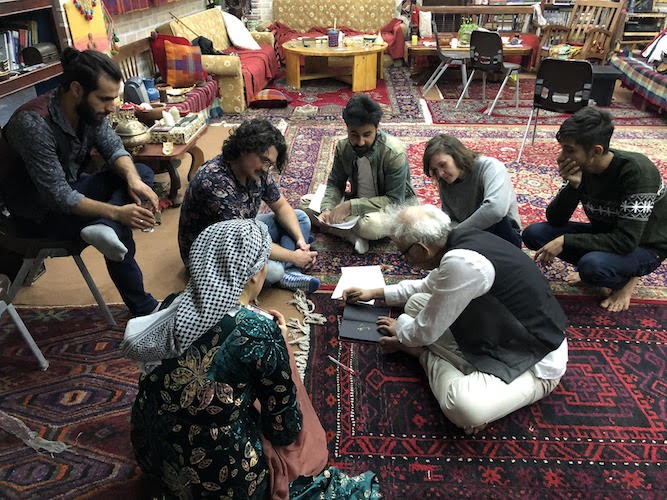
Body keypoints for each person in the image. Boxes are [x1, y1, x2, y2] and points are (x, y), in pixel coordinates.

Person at [123, 219, 381, 499]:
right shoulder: (257, 331)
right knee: (289, 414)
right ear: (258, 273)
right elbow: (283, 428)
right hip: (221, 480)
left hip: (153, 457)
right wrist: (277, 342)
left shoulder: (173, 304)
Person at [344, 204, 568, 435]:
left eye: (404, 253)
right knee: (415, 304)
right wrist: (375, 292)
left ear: (421, 249)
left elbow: (422, 333)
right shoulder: (459, 240)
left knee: (463, 407)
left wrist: (403, 331)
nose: (405, 260)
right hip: (500, 333)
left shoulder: (462, 264)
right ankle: (459, 366)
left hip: (535, 361)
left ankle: (424, 356)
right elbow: (427, 286)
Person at [0, 47, 159, 316]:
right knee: (119, 221)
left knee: (140, 172)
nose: (112, 107)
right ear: (76, 89)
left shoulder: (89, 111)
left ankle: (104, 227)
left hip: (71, 190)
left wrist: (132, 179)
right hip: (36, 215)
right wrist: (117, 212)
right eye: (105, 99)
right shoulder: (32, 124)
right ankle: (143, 307)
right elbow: (58, 196)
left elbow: (114, 149)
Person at [522, 107, 667, 312]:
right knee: (534, 234)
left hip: (645, 245)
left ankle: (626, 280)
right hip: (607, 234)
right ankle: (607, 267)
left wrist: (566, 241)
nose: (560, 157)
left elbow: (626, 241)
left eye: (569, 150)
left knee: (592, 266)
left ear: (596, 151)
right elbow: (555, 218)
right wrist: (573, 187)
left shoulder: (637, 172)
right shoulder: (584, 168)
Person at [178, 119, 320, 293]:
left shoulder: (257, 171)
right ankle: (287, 269)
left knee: (300, 218)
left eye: (270, 164)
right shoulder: (214, 182)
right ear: (245, 148)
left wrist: (299, 239)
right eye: (264, 160)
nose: (266, 169)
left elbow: (281, 207)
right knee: (273, 271)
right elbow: (245, 242)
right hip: (210, 254)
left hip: (244, 231)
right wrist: (294, 256)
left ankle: (289, 270)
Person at [301, 94, 416, 254]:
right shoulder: (343, 147)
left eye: (367, 135)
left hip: (387, 208)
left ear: (376, 128)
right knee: (305, 204)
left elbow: (395, 200)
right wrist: (327, 209)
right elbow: (335, 183)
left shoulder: (394, 152)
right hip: (357, 201)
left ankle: (350, 230)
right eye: (354, 135)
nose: (360, 142)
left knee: (369, 226)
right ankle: (351, 235)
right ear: (347, 128)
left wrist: (351, 207)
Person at [422, 134, 521, 247]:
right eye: (435, 170)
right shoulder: (445, 180)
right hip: (471, 235)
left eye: (443, 165)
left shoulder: (490, 166)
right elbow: (450, 219)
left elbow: (495, 210)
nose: (440, 173)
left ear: (457, 156)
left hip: (504, 235)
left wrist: (455, 234)